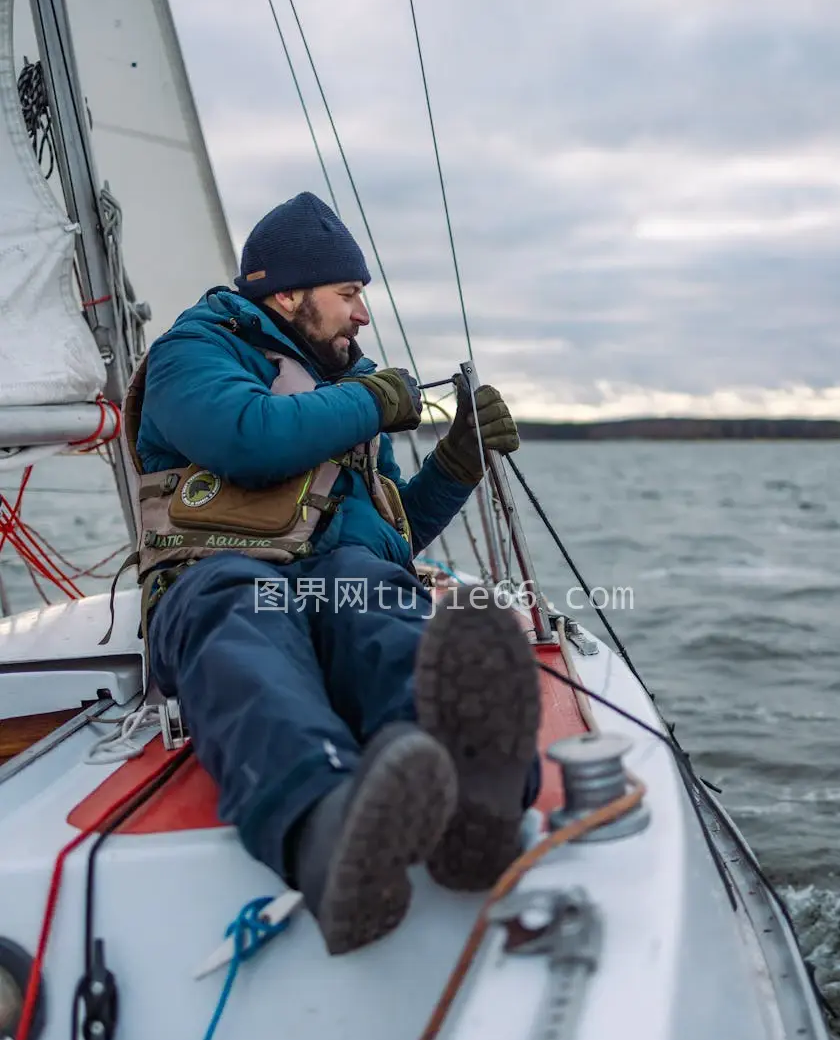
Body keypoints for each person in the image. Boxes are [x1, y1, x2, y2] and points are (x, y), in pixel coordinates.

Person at [126, 191, 540, 955]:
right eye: (348, 295)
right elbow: (246, 438)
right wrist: (367, 403)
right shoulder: (195, 352)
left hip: (336, 580)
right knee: (238, 615)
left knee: (370, 588)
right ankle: (324, 829)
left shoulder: (350, 383)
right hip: (217, 578)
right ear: (287, 294)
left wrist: (455, 466)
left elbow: (392, 531)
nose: (361, 316)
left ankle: (469, 802)